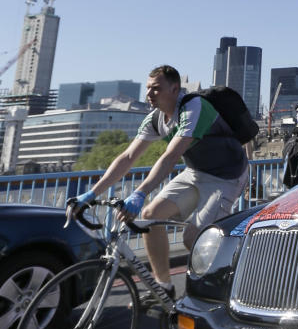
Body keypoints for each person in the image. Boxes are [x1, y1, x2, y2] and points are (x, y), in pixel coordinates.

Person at [71, 65, 249, 301]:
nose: (149, 94)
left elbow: (170, 156)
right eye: (148, 89)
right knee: (149, 216)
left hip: (226, 176)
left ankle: (230, 282)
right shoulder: (155, 119)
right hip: (196, 172)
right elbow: (127, 158)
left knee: (194, 237)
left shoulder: (194, 107)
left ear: (175, 89)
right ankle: (163, 287)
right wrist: (90, 195)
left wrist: (140, 192)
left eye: (156, 88)